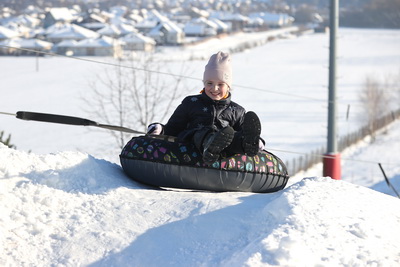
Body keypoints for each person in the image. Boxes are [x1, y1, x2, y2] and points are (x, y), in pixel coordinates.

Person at [147, 51, 264, 165]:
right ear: (204, 83)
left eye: (220, 84)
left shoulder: (237, 110)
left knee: (234, 137)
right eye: (209, 83)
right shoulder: (191, 103)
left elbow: (243, 130)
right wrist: (160, 129)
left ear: (228, 86)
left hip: (225, 148)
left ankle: (247, 144)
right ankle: (210, 145)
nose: (214, 88)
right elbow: (173, 128)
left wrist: (257, 141)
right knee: (200, 133)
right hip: (195, 144)